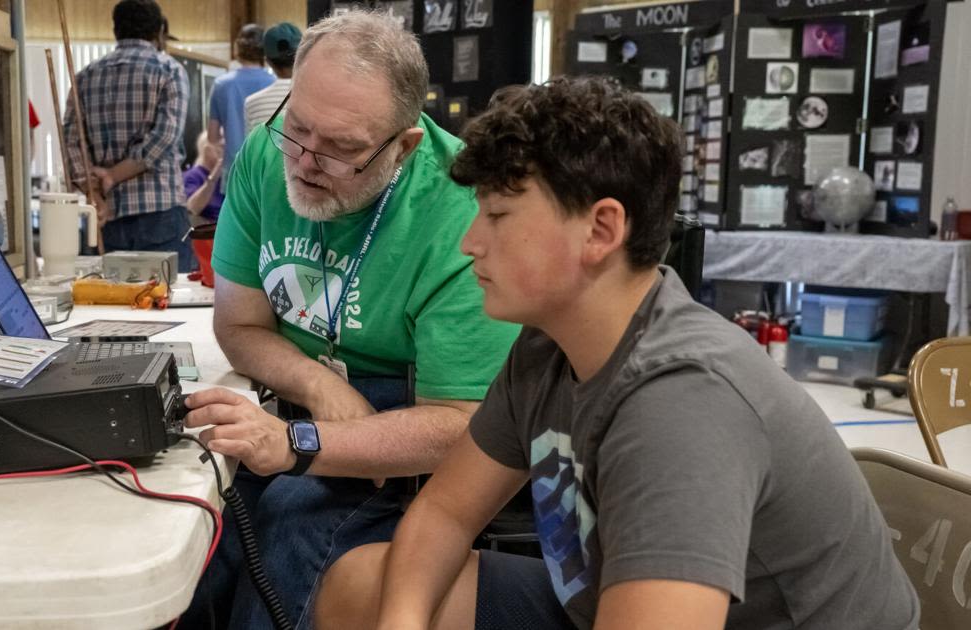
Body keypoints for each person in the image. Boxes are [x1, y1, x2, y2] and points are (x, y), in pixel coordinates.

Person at [314, 76, 920, 630]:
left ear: (601, 231)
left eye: (498, 214)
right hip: (602, 597)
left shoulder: (681, 404)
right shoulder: (548, 343)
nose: (471, 243)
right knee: (363, 585)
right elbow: (445, 513)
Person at [179, 9, 519, 630]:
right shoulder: (264, 154)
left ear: (405, 145)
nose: (306, 161)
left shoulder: (462, 213)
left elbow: (464, 428)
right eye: (298, 128)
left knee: (288, 531)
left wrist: (301, 442)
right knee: (200, 521)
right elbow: (240, 324)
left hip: (417, 409)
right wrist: (320, 385)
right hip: (299, 390)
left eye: (342, 150)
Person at [63, 0, 194, 271]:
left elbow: (71, 142)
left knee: (112, 302)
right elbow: (164, 138)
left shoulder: (84, 77)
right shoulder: (169, 70)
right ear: (159, 31)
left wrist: (93, 189)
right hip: (160, 210)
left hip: (104, 215)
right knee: (170, 302)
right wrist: (113, 175)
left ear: (115, 30)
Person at [208, 24, 274, 180]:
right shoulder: (274, 83)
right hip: (266, 173)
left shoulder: (221, 85)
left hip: (233, 173)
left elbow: (212, 138)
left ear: (237, 48)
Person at [182, 131, 224, 286]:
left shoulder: (228, 178)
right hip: (207, 241)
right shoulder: (193, 176)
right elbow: (193, 207)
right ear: (207, 149)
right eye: (220, 146)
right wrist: (215, 174)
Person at [244, 22, 300, 134]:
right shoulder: (316, 97)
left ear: (268, 61)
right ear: (302, 56)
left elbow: (250, 148)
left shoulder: (252, 103)